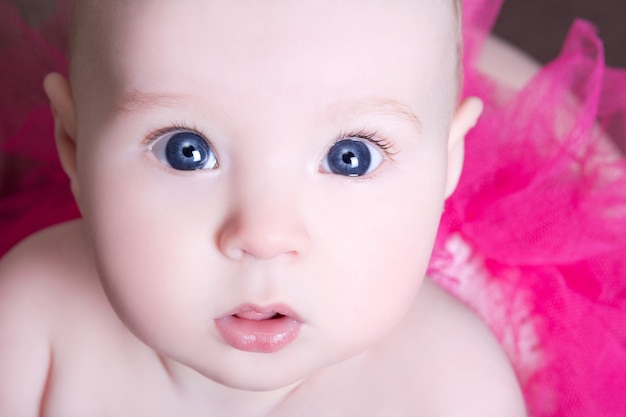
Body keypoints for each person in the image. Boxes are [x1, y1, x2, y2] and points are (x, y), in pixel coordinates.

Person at [0, 0, 624, 416]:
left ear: (446, 167)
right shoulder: (31, 318)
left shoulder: (452, 390)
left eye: (351, 157)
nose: (266, 236)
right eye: (187, 151)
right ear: (75, 150)